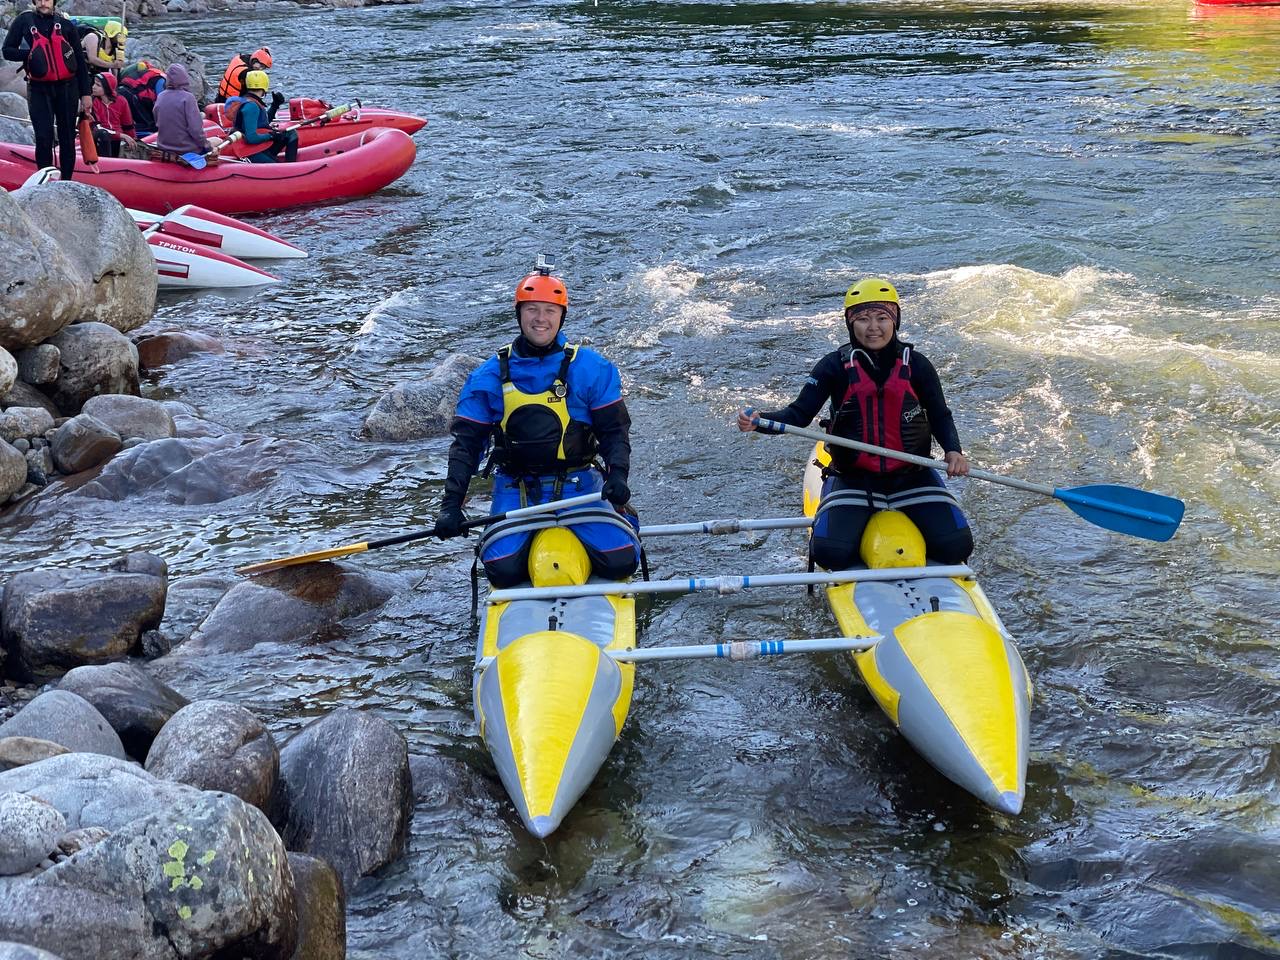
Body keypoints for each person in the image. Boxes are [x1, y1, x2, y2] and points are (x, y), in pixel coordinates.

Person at [738, 277, 975, 568]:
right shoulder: (833, 366)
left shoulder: (918, 366)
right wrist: (760, 421)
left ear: (895, 321)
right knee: (830, 554)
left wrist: (953, 451)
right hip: (853, 477)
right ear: (850, 323)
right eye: (862, 319)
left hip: (912, 475)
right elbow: (797, 416)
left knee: (957, 547)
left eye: (882, 318)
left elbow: (940, 414)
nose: (873, 327)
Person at [437, 261, 640, 588]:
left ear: (562, 316)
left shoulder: (590, 368)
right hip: (517, 487)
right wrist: (451, 506)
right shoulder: (488, 375)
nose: (540, 319)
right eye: (532, 309)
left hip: (580, 484)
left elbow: (614, 431)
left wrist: (617, 476)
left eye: (549, 310)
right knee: (503, 572)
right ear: (519, 314)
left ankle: (621, 516)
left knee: (620, 561)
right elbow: (466, 446)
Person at [2, 0, 92, 182]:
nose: (44, 3)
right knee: (44, 137)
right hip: (38, 89)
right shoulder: (24, 21)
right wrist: (29, 54)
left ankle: (66, 180)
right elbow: (7, 51)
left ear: (54, 2)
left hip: (68, 88)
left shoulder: (65, 25)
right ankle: (46, 180)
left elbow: (80, 63)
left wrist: (86, 93)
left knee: (67, 137)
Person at [225, 70, 295, 163]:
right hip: (248, 152)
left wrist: (275, 105)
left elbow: (262, 124)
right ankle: (291, 168)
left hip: (252, 148)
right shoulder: (251, 106)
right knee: (291, 135)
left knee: (289, 133)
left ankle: (290, 165)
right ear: (265, 85)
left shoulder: (247, 100)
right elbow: (251, 138)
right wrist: (271, 136)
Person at [152, 63, 210, 157]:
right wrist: (207, 146)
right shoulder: (188, 98)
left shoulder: (160, 96)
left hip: (164, 148)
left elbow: (157, 121)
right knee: (217, 141)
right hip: (188, 150)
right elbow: (195, 130)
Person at [90, 71, 133, 157]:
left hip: (117, 140)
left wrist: (132, 139)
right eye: (94, 84)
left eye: (98, 85)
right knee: (103, 134)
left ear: (107, 88)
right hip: (99, 139)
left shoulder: (121, 101)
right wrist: (120, 135)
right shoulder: (92, 101)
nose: (93, 87)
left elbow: (128, 125)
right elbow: (95, 127)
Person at [117, 59, 164, 135]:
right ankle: (129, 134)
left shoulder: (142, 72)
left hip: (121, 91)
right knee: (150, 125)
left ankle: (123, 132)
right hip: (132, 95)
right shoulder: (160, 78)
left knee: (130, 121)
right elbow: (162, 101)